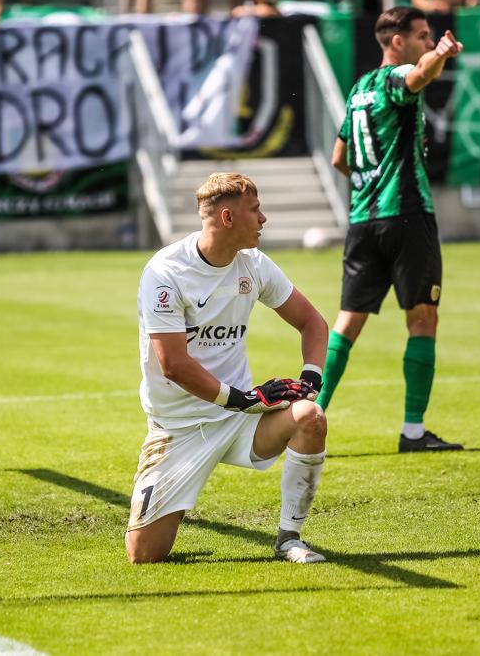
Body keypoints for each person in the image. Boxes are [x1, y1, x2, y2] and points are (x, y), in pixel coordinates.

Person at [127, 173, 330, 564]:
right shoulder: (165, 272)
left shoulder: (253, 264)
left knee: (310, 416)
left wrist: (310, 379)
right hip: (179, 427)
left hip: (239, 420)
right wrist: (242, 398)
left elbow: (312, 323)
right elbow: (173, 365)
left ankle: (289, 539)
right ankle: (171, 501)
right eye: (255, 210)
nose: (263, 219)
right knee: (144, 555)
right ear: (227, 218)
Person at [316, 7, 464, 453]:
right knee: (422, 317)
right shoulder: (395, 76)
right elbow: (417, 76)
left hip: (363, 221)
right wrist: (441, 54)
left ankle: (309, 418)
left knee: (347, 323)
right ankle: (413, 432)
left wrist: (370, 183)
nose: (427, 42)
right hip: (406, 217)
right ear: (397, 42)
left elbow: (339, 158)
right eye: (422, 35)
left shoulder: (359, 89)